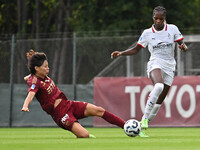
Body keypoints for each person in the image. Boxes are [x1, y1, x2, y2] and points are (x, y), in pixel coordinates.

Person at [111, 6, 188, 137]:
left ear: (165, 19)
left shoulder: (173, 29)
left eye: (161, 19)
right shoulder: (147, 33)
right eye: (156, 18)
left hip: (170, 66)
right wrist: (121, 53)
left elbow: (183, 44)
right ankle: (145, 118)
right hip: (155, 62)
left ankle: (141, 127)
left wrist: (183, 47)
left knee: (160, 101)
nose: (158, 21)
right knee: (158, 85)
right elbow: (136, 49)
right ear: (153, 18)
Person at [21, 49, 125, 138]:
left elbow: (29, 77)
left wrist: (28, 77)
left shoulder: (40, 76)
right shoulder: (35, 82)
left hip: (68, 104)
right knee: (84, 135)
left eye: (47, 66)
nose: (48, 68)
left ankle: (125, 125)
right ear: (36, 68)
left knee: (99, 110)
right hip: (60, 114)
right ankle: (84, 134)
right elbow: (31, 94)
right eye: (45, 66)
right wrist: (25, 106)